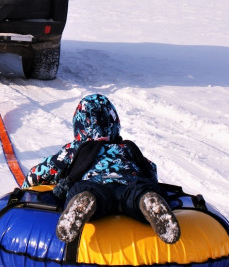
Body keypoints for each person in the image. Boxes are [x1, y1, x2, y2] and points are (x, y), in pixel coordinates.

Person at [22, 94, 180, 244]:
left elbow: (42, 171)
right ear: (115, 123)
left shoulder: (76, 148)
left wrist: (26, 188)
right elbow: (150, 168)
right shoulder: (127, 148)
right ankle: (146, 199)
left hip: (94, 183)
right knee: (137, 193)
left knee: (84, 190)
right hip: (129, 183)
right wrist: (148, 186)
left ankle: (85, 200)